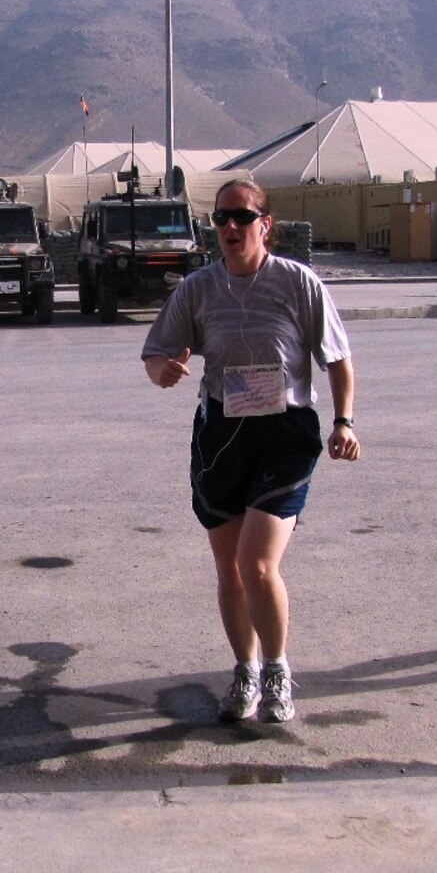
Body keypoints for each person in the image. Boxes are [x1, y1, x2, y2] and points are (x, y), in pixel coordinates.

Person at [140, 177, 359, 724]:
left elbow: (337, 358)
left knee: (257, 564)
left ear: (265, 224)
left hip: (285, 433)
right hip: (222, 436)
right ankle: (245, 671)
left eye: (242, 217)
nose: (231, 227)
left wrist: (344, 421)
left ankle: (278, 671)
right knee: (230, 569)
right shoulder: (197, 288)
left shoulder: (297, 282)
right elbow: (155, 354)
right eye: (221, 219)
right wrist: (163, 371)